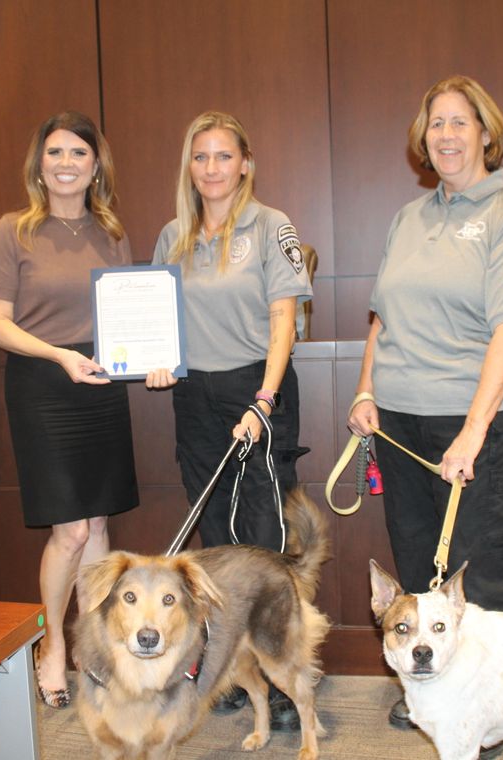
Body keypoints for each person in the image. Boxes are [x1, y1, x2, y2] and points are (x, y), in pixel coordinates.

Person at [346, 75, 503, 754]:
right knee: (419, 575)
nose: (448, 135)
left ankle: (488, 722)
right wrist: (365, 392)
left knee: (478, 576)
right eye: (437, 123)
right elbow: (382, 319)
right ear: (423, 138)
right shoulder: (410, 218)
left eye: (461, 122)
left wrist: (473, 431)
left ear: (486, 133)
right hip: (400, 422)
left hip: (478, 422)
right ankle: (433, 697)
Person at [146, 111, 312, 729]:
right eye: (200, 157)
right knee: (214, 536)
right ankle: (236, 668)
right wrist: (159, 362)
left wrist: (263, 400)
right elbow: (159, 324)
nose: (211, 169)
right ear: (188, 167)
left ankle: (286, 669)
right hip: (193, 395)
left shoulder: (273, 226)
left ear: (245, 163)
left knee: (264, 538)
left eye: (223, 156)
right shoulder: (173, 235)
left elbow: (283, 322)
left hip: (256, 388)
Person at [0, 111, 139, 710]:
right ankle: (51, 646)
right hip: (44, 387)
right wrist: (59, 356)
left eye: (78, 153)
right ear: (38, 164)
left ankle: (91, 645)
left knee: (99, 525)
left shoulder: (112, 231)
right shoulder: (12, 230)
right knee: (69, 529)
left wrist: (149, 358)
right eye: (55, 153)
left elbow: (129, 315)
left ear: (96, 165)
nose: (66, 163)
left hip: (100, 384)